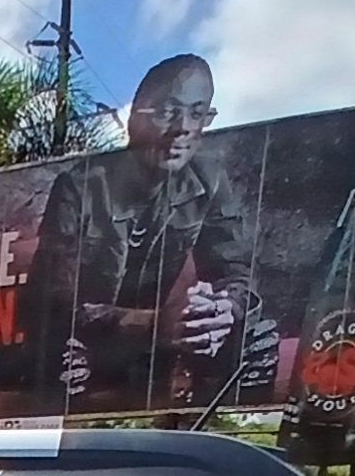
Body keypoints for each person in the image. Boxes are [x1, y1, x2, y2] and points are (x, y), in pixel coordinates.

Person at [22, 53, 275, 412]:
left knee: (258, 340)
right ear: (133, 119)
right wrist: (152, 323)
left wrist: (221, 310)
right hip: (92, 341)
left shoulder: (210, 177)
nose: (182, 127)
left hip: (164, 345)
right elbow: (53, 305)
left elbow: (236, 272)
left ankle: (217, 450)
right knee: (62, 367)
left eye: (197, 113)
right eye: (167, 112)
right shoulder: (79, 186)